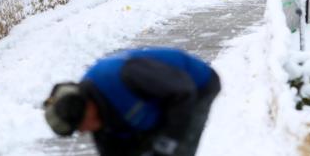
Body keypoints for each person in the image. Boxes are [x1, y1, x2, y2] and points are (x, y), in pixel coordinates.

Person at [43, 47, 221, 156]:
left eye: (81, 125)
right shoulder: (98, 116)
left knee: (174, 150)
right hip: (151, 104)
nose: (82, 132)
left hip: (195, 86)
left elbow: (183, 92)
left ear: (88, 106)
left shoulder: (122, 75)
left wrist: (166, 144)